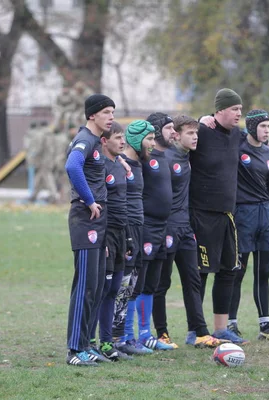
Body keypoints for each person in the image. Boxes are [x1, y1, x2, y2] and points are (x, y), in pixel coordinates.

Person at [153, 115, 230, 349]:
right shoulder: (165, 157)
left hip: (186, 229)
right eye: (190, 133)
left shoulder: (189, 155)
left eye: (196, 132)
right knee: (161, 283)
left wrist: (202, 119)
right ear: (175, 135)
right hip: (166, 229)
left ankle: (200, 332)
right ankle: (162, 333)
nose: (196, 137)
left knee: (193, 280)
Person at [190, 88, 247, 344]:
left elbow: (255, 137)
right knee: (201, 272)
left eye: (240, 109)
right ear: (220, 110)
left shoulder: (237, 135)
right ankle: (196, 330)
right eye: (234, 109)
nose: (239, 113)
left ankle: (220, 328)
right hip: (202, 214)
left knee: (228, 271)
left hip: (228, 215)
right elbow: (175, 134)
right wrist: (202, 118)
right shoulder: (201, 132)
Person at [227, 109, 269, 342]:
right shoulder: (239, 146)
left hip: (265, 215)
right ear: (252, 127)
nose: (267, 131)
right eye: (263, 126)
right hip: (243, 215)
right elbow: (230, 130)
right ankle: (231, 324)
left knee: (263, 271)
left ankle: (265, 326)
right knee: (238, 272)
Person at [64, 94, 115, 366]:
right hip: (85, 219)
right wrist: (89, 199)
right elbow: (72, 166)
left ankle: (86, 345)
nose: (111, 117)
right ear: (92, 115)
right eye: (106, 112)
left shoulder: (97, 141)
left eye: (113, 112)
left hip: (99, 222)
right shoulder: (84, 138)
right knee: (84, 287)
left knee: (95, 287)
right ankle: (74, 350)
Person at [125, 112, 178, 352]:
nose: (173, 132)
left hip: (162, 227)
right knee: (136, 283)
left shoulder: (165, 156)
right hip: (144, 227)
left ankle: (146, 334)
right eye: (168, 128)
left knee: (152, 284)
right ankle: (128, 335)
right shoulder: (141, 160)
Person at [86, 121, 132, 362]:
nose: (122, 141)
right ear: (105, 141)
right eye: (117, 137)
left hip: (120, 234)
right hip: (105, 233)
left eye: (123, 137)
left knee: (114, 289)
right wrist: (102, 237)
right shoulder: (100, 166)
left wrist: (128, 237)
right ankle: (92, 342)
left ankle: (107, 342)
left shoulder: (118, 164)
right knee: (102, 290)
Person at [112, 120, 157, 356]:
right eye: (149, 139)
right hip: (125, 229)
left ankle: (126, 338)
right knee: (122, 285)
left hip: (140, 228)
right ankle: (115, 338)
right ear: (136, 139)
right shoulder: (121, 164)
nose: (152, 143)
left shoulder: (140, 164)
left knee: (134, 286)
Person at [28, 123, 58, 203]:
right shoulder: (51, 135)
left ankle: (53, 195)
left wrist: (33, 156)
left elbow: (39, 147)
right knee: (39, 177)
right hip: (50, 159)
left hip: (43, 160)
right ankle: (34, 194)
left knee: (47, 177)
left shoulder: (42, 134)